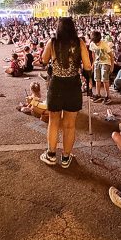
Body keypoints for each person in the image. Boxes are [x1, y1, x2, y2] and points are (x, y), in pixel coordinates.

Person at [39, 17, 91, 168]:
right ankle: (66, 157)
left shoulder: (53, 42)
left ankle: (51, 154)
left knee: (54, 121)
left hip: (56, 84)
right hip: (73, 84)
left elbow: (43, 60)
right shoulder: (79, 42)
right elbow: (87, 65)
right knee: (69, 124)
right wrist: (88, 78)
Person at [89, 31, 114, 104]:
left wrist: (112, 66)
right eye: (95, 42)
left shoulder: (104, 44)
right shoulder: (92, 44)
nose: (97, 44)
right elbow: (93, 54)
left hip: (105, 62)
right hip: (97, 62)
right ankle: (98, 94)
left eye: (98, 42)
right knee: (97, 79)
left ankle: (108, 96)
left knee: (105, 79)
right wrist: (93, 64)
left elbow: (111, 56)